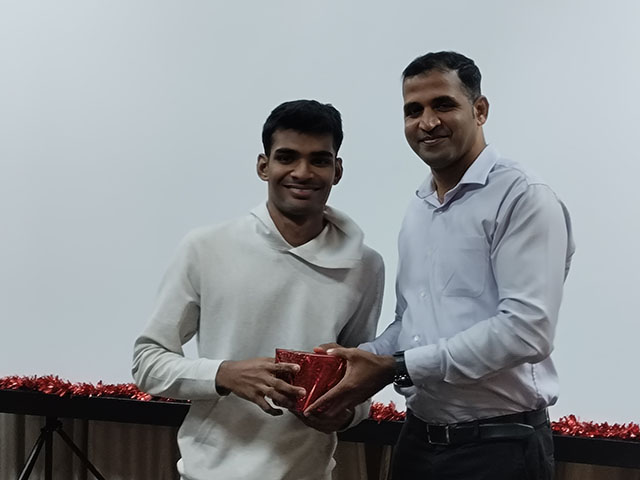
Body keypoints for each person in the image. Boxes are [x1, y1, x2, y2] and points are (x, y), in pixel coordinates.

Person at [305, 51, 575, 480]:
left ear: (480, 110)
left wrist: (397, 367)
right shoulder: (420, 207)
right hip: (418, 438)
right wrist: (355, 360)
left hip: (499, 447)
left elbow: (527, 330)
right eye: (413, 110)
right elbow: (410, 323)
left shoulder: (522, 197)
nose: (427, 122)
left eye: (443, 105)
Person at [132, 99, 384, 480]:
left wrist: (345, 414)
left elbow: (359, 380)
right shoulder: (206, 248)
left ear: (337, 170)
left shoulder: (364, 266)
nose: (302, 172)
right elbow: (147, 363)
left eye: (319, 160)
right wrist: (224, 374)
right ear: (263, 166)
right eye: (287, 157)